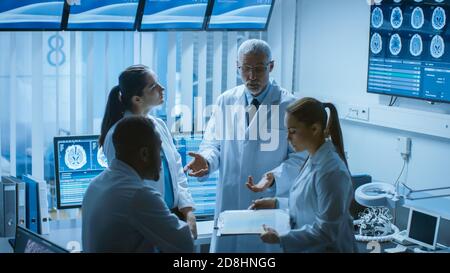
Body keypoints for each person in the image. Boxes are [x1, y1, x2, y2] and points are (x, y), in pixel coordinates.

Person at [184, 39, 306, 252]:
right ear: (237, 66)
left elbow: (300, 157)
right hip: (231, 199)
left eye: (259, 69)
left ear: (271, 66)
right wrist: (207, 161)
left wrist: (273, 177)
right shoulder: (226, 101)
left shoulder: (289, 105)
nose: (252, 76)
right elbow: (213, 145)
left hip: (268, 202)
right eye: (246, 69)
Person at [99, 65, 197, 238]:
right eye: (153, 86)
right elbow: (126, 188)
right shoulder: (118, 135)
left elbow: (177, 170)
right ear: (137, 99)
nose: (162, 88)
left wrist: (188, 211)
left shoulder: (159, 125)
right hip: (145, 220)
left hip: (173, 215)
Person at [250, 97, 356, 253]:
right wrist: (275, 203)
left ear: (315, 129)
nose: (288, 138)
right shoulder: (313, 158)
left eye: (293, 131)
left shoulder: (331, 171)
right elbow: (310, 205)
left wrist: (281, 238)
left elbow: (326, 232)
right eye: (287, 131)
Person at [82, 116, 194, 253]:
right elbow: (185, 245)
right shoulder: (139, 196)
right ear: (144, 154)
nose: (163, 159)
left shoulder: (95, 185)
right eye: (160, 151)